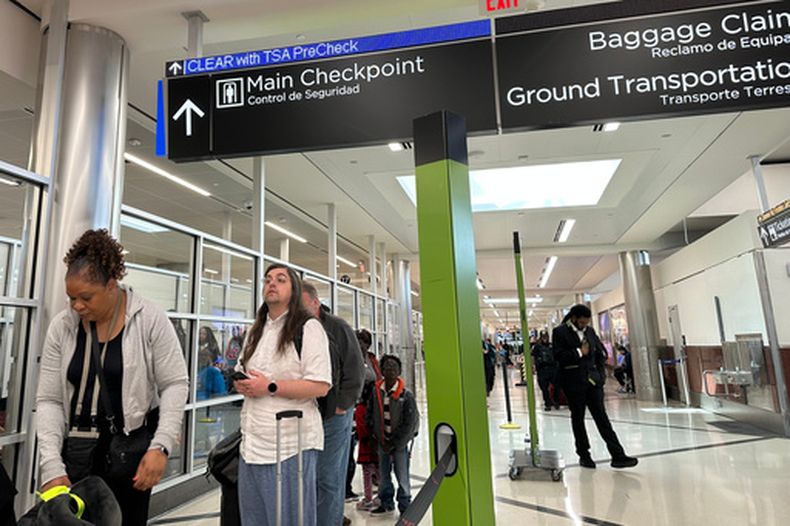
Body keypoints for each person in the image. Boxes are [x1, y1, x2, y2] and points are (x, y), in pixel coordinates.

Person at [36, 229, 189, 526]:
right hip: (75, 456)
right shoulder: (63, 327)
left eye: (86, 297)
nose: (77, 306)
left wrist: (161, 445)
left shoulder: (149, 319)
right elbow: (49, 399)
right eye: (71, 298)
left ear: (111, 285)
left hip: (126, 459)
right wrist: (51, 465)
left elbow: (174, 382)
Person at [234, 264, 331, 526]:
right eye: (267, 280)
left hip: (290, 444)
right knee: (254, 519)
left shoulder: (308, 328)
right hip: (252, 444)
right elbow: (242, 369)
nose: (271, 284)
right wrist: (242, 384)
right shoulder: (256, 329)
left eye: (280, 280)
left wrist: (271, 387)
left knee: (290, 519)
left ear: (294, 289)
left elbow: (321, 385)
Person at [301, 283, 364, 526]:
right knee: (310, 476)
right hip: (308, 414)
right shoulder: (299, 329)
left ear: (315, 303)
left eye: (302, 303)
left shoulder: (337, 327)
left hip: (335, 416)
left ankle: (330, 520)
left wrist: (342, 405)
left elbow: (355, 370)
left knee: (327, 476)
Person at [552, 304, 638, 470]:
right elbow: (559, 356)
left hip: (593, 383)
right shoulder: (560, 332)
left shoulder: (590, 332)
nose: (584, 325)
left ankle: (618, 455)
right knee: (578, 419)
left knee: (602, 418)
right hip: (574, 383)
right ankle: (584, 455)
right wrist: (579, 352)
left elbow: (599, 353)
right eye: (582, 322)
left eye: (586, 323)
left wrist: (601, 376)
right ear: (574, 318)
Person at [367, 355, 419, 517]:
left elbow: (409, 423)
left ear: (399, 371)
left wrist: (395, 442)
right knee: (383, 474)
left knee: (402, 474)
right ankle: (386, 502)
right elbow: (370, 414)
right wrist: (374, 436)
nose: (390, 371)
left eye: (393, 368)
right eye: (387, 368)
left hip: (399, 443)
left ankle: (405, 505)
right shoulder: (376, 392)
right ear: (381, 370)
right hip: (382, 440)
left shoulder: (406, 395)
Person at [532, 332, 559, 411]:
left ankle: (556, 401)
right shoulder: (537, 347)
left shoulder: (552, 346)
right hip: (542, 369)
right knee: (544, 388)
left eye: (546, 336)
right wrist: (533, 367)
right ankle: (548, 403)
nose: (545, 338)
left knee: (557, 386)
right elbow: (533, 357)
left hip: (553, 368)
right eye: (543, 337)